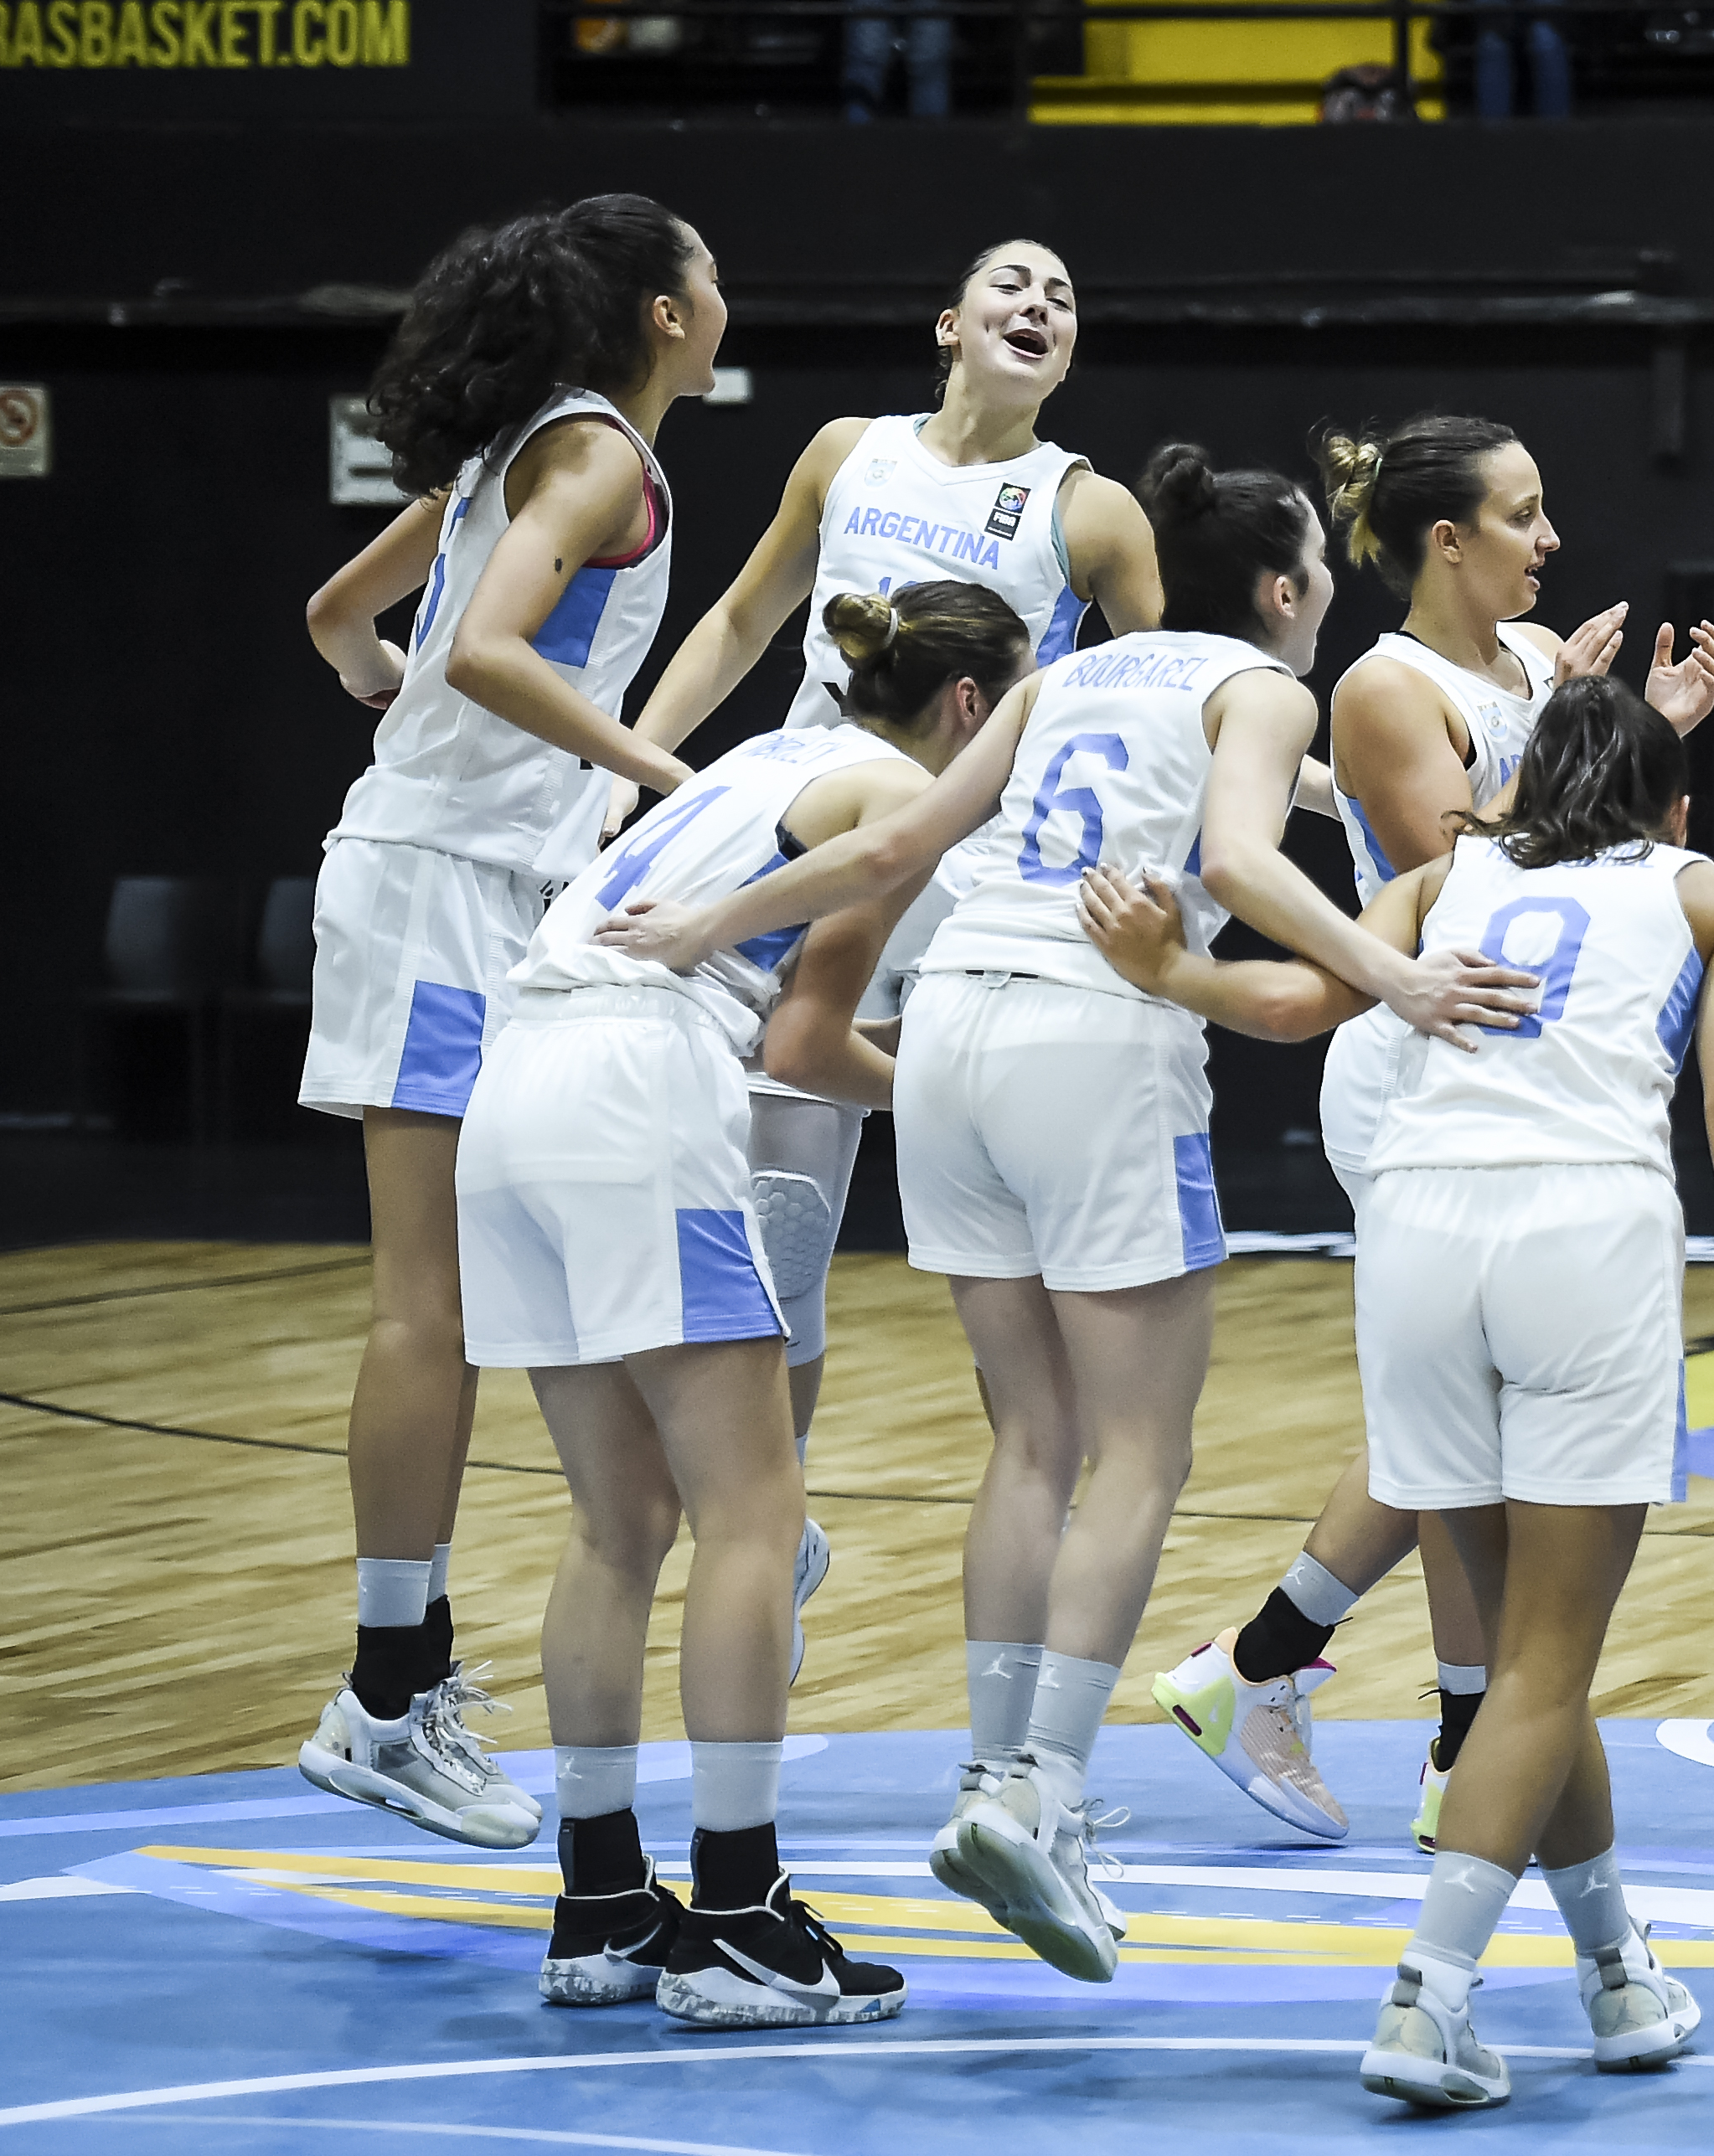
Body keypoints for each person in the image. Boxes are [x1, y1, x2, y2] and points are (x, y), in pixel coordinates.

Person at [593, 444, 1520, 1983]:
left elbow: (895, 846)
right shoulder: (1259, 680)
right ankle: (1049, 1789)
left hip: (952, 1026)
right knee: (1142, 1446)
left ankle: (991, 1774)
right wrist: (1395, 968)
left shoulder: (1062, 675)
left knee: (1031, 1440)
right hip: (1094, 1031)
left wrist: (705, 920)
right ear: (1286, 588)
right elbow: (1232, 856)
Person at [1076, 674, 1714, 2108]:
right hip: (1581, 1231)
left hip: (1415, 1234)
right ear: (1675, 804)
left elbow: (1296, 1001)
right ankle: (1429, 1994)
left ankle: (1615, 1967)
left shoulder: (1442, 872)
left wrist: (1171, 973)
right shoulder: (1712, 890)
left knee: (1516, 1659)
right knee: (1547, 1659)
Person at [1149, 411, 1714, 1854]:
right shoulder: (1382, 688)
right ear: (1447, 540)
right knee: (1467, 1433)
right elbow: (1467, 874)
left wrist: (1634, 732)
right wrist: (1596, 744)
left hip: (1531, 1071)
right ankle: (1337, 1697)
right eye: (1522, 518)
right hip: (1420, 1061)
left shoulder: (1539, 664)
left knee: (1478, 1434)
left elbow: (1588, 840)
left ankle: (1372, 1709)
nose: (1549, 542)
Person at [471, 584, 1022, 2025]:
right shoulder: (901, 794)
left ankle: (601, 1900)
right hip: (640, 1086)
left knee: (618, 1519)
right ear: (971, 709)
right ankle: (734, 1911)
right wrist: (974, 1109)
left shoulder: (750, 761)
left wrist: (939, 1065)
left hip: (516, 1082)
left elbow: (796, 1027)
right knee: (754, 1516)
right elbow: (807, 1040)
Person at [630, 238, 1175, 1674]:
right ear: (949, 321)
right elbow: (747, 613)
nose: (1040, 303)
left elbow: (1160, 699)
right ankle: (774, 1530)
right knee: (782, 1252)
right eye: (1013, 283)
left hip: (978, 904)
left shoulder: (1091, 507)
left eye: (1065, 294)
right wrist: (645, 766)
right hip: (817, 859)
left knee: (1030, 1330)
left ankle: (1028, 1696)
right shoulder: (845, 453)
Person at [294, 194, 721, 1849]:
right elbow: (476, 648)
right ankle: (388, 1693)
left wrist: (376, 687)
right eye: (704, 263)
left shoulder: (521, 447)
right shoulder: (597, 453)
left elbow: (345, 621)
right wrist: (667, 778)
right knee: (430, 1307)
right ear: (668, 312)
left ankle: (715, 1500)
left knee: (535, 1249)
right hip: (442, 894)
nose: (719, 281)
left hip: (473, 883)